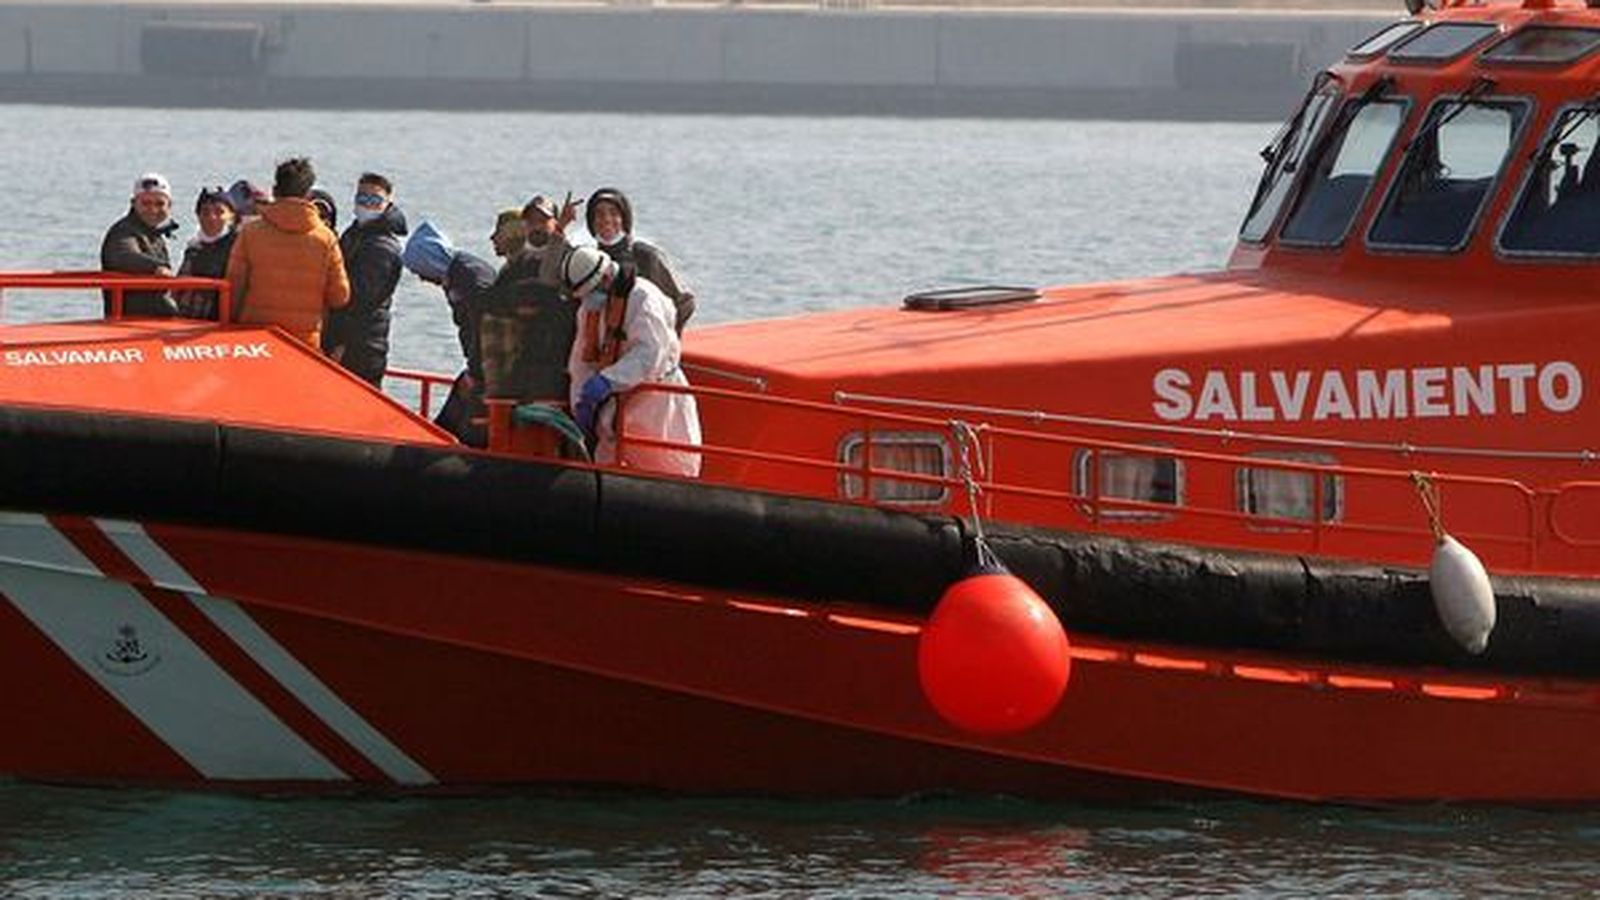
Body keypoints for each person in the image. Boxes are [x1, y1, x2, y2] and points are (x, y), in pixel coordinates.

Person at [562, 246, 701, 477]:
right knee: (608, 463)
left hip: (656, 401)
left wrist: (607, 381)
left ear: (606, 278)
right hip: (613, 409)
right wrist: (581, 402)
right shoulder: (589, 310)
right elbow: (581, 360)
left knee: (666, 464)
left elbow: (650, 354)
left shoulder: (643, 297)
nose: (589, 300)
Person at [224, 157, 350, 349]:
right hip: (303, 344)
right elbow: (340, 296)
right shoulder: (326, 239)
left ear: (275, 190)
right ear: (308, 193)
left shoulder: (251, 233)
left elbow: (234, 287)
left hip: (256, 340)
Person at [477, 194, 581, 407]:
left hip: (556, 361)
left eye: (543, 221)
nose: (536, 227)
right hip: (519, 362)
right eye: (531, 222)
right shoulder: (518, 262)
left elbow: (548, 293)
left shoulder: (571, 258)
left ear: (555, 222)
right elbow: (492, 301)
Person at [401, 222, 496, 447]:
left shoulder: (471, 277)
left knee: (467, 432)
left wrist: (476, 372)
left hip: (488, 371)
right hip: (479, 366)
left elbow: (485, 329)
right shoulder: (454, 274)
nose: (421, 279)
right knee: (447, 422)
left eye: (420, 271)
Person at [324, 172, 407, 387]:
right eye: (362, 199)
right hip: (347, 339)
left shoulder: (382, 247)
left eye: (374, 200)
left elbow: (360, 300)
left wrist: (341, 343)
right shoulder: (355, 234)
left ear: (387, 203)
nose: (366, 205)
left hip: (362, 345)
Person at [585, 187, 696, 333]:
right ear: (591, 222)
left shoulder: (645, 256)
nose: (606, 219)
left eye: (614, 213)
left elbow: (685, 302)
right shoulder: (588, 260)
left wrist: (664, 337)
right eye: (599, 214)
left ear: (625, 220)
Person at [99, 172, 179, 317]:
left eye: (160, 204)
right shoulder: (123, 231)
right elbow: (124, 255)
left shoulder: (153, 234)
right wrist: (156, 268)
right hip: (129, 324)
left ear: (170, 205)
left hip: (152, 321)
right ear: (133, 203)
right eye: (146, 203)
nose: (153, 209)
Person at [174, 186, 238, 320]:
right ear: (197, 215)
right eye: (205, 212)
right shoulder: (193, 248)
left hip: (223, 321)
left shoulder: (238, 246)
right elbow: (178, 289)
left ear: (231, 216)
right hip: (189, 319)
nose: (212, 217)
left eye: (219, 212)